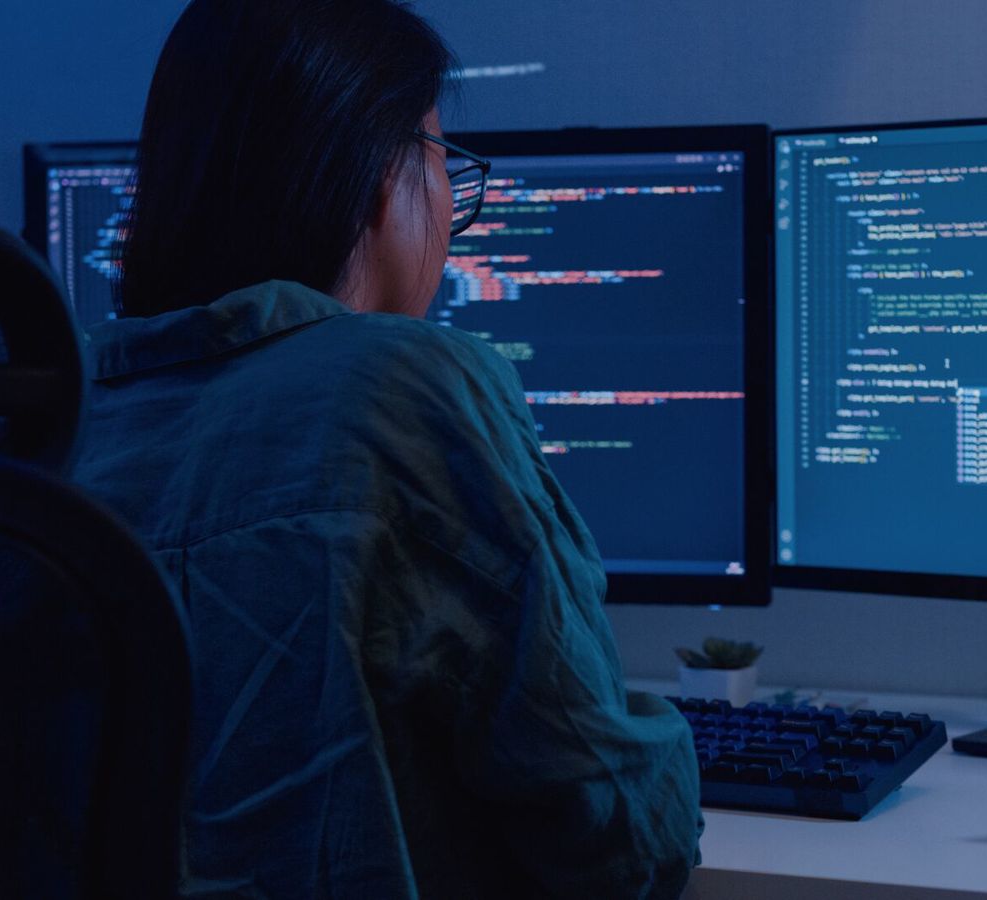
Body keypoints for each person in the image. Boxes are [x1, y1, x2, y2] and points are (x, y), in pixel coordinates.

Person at [72, 0, 703, 896]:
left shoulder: (57, 411)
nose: (453, 212)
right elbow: (620, 841)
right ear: (378, 174)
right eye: (446, 162)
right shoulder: (403, 383)